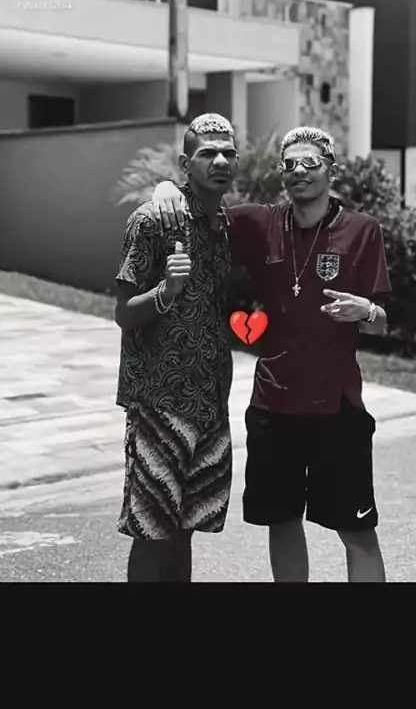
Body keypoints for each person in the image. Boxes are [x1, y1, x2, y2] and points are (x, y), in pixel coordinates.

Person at [151, 126, 392, 582]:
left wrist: (366, 310)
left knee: (357, 530)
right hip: (273, 407)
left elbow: (381, 322)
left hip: (337, 409)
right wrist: (166, 187)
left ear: (331, 170)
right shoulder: (259, 223)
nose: (299, 171)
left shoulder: (362, 231)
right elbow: (201, 211)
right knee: (281, 522)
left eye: (310, 163)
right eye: (290, 164)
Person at [114, 113, 240, 582]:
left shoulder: (224, 225)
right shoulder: (152, 220)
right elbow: (123, 312)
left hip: (209, 402)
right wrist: (166, 292)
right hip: (159, 403)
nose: (220, 161)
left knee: (186, 529)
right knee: (152, 531)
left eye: (228, 152)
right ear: (186, 164)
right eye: (207, 153)